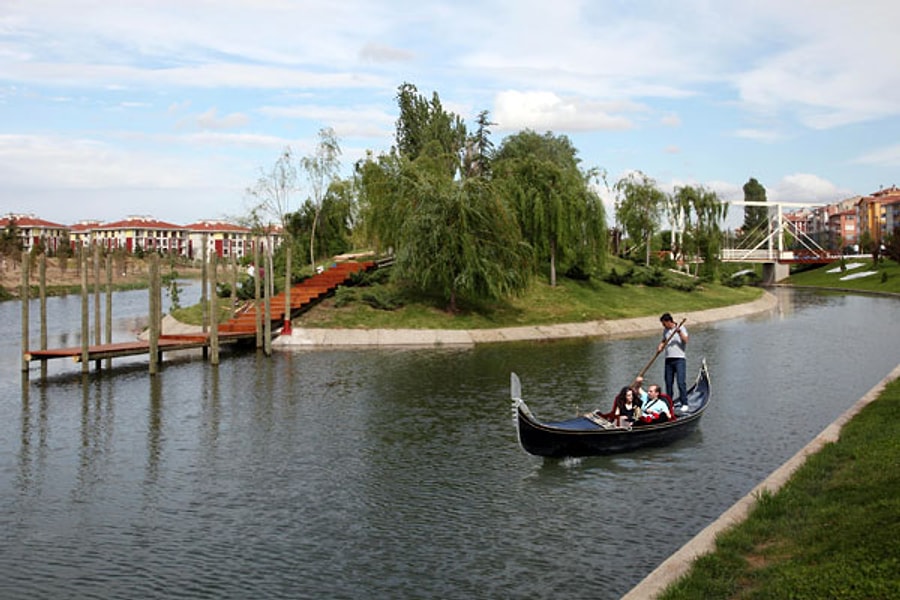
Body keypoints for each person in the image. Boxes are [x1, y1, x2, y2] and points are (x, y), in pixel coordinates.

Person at [657, 312, 688, 405]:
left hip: (679, 359)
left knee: (680, 382)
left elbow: (686, 340)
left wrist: (679, 332)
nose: (663, 325)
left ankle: (684, 403)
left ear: (669, 321)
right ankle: (669, 404)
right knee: (668, 383)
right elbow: (664, 340)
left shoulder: (681, 328)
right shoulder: (665, 330)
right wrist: (660, 346)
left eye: (664, 323)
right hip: (668, 360)